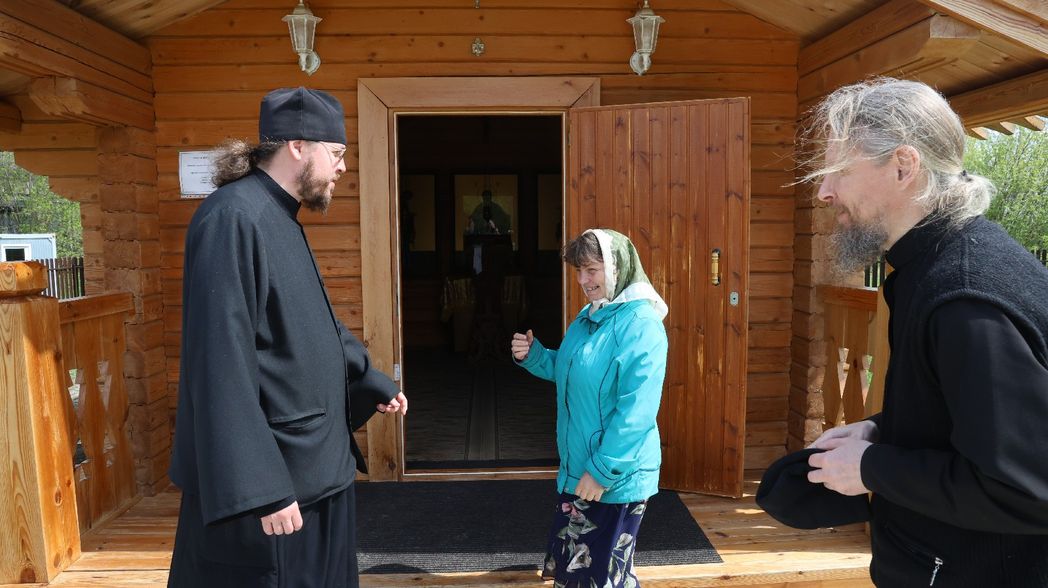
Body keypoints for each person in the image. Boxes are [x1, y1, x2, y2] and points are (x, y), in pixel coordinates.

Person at [803, 78, 1048, 586]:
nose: (824, 191)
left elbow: (1025, 488)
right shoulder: (932, 269)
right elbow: (968, 417)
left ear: (903, 166)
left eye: (839, 171)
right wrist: (882, 430)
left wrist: (873, 468)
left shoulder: (965, 296)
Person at [167, 87, 408, 588]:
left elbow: (311, 322)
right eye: (336, 153)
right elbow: (219, 364)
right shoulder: (233, 218)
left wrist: (369, 379)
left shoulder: (277, 214)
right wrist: (261, 487)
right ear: (298, 146)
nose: (343, 167)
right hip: (275, 491)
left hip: (318, 471)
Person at [510, 228, 668, 588]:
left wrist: (601, 471)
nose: (583, 280)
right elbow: (573, 371)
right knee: (576, 574)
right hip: (580, 470)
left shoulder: (641, 326)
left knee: (599, 579)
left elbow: (636, 413)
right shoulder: (589, 315)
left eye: (592, 270)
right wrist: (535, 356)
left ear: (616, 268)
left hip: (611, 477)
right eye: (579, 271)